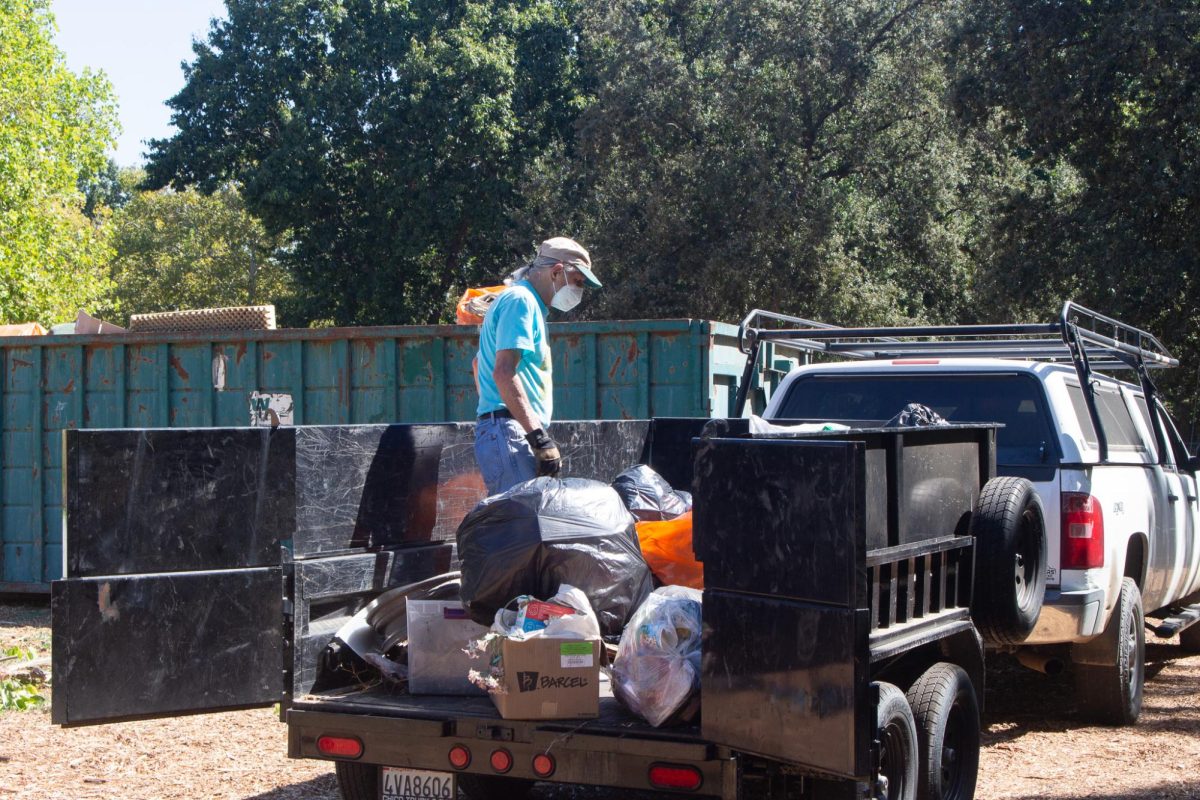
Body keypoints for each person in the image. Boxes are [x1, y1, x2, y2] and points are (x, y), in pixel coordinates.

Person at [474, 237, 601, 495]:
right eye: (578, 281)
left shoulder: (526, 303)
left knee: (523, 525)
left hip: (508, 428)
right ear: (557, 271)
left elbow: (478, 365)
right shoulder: (521, 301)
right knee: (524, 527)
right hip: (511, 430)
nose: (579, 291)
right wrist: (537, 437)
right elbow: (503, 372)